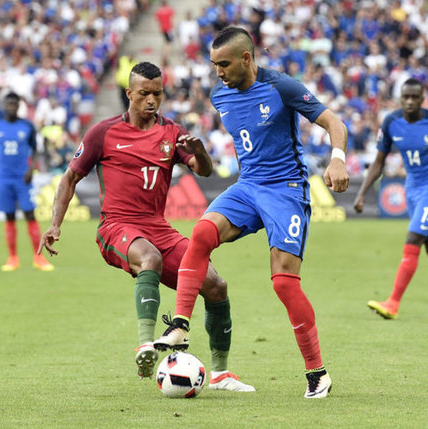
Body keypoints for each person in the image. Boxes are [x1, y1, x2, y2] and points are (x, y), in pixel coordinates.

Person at [153, 27, 350, 399]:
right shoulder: (219, 94)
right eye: (214, 65)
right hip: (247, 186)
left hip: (285, 190)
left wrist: (337, 159)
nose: (218, 73)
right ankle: (179, 324)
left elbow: (334, 123)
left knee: (284, 282)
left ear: (246, 58)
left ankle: (317, 373)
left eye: (224, 64)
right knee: (201, 233)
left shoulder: (281, 87)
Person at [38, 62, 254, 392]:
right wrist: (55, 224)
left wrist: (200, 152)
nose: (151, 100)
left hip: (159, 228)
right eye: (144, 94)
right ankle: (145, 346)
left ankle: (221, 375)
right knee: (149, 258)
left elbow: (203, 170)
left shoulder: (172, 132)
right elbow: (70, 178)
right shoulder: (103, 133)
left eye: (157, 94)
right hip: (116, 226)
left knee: (216, 285)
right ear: (129, 94)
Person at [354, 78, 428, 320]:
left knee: (413, 238)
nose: (409, 101)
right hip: (412, 189)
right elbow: (379, 161)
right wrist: (362, 192)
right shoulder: (391, 122)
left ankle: (392, 303)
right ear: (400, 98)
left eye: (414, 97)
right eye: (405, 97)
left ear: (422, 99)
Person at [0, 92, 53, 272]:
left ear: (19, 106)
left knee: (30, 214)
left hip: (23, 178)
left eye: (15, 104)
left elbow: (36, 150)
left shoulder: (27, 126)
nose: (11, 107)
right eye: (9, 104)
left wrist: (31, 169)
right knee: (9, 216)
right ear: (4, 105)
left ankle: (39, 257)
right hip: (4, 178)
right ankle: (12, 258)